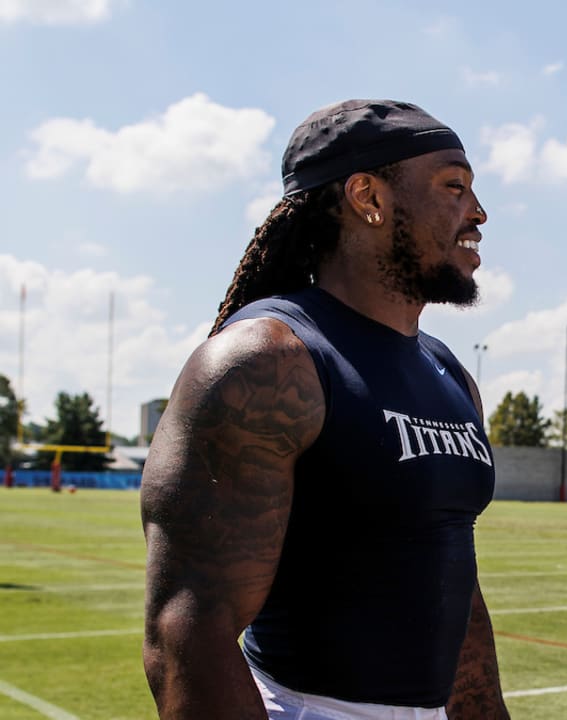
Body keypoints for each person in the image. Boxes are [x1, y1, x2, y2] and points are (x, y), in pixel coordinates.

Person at [141, 99, 509, 720]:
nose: (477, 213)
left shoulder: (448, 372)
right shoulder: (266, 360)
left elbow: (457, 588)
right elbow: (189, 633)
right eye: (454, 186)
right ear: (368, 196)